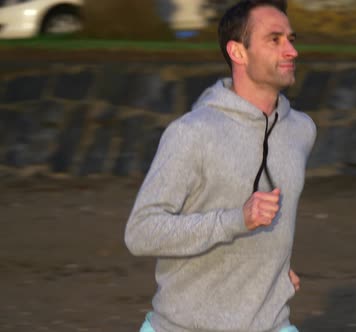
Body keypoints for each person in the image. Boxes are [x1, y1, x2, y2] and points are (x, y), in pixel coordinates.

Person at [124, 0, 316, 331]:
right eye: (275, 39)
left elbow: (276, 228)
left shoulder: (301, 130)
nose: (291, 51)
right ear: (238, 53)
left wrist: (274, 267)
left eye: (291, 39)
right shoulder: (191, 134)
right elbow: (140, 232)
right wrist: (235, 220)